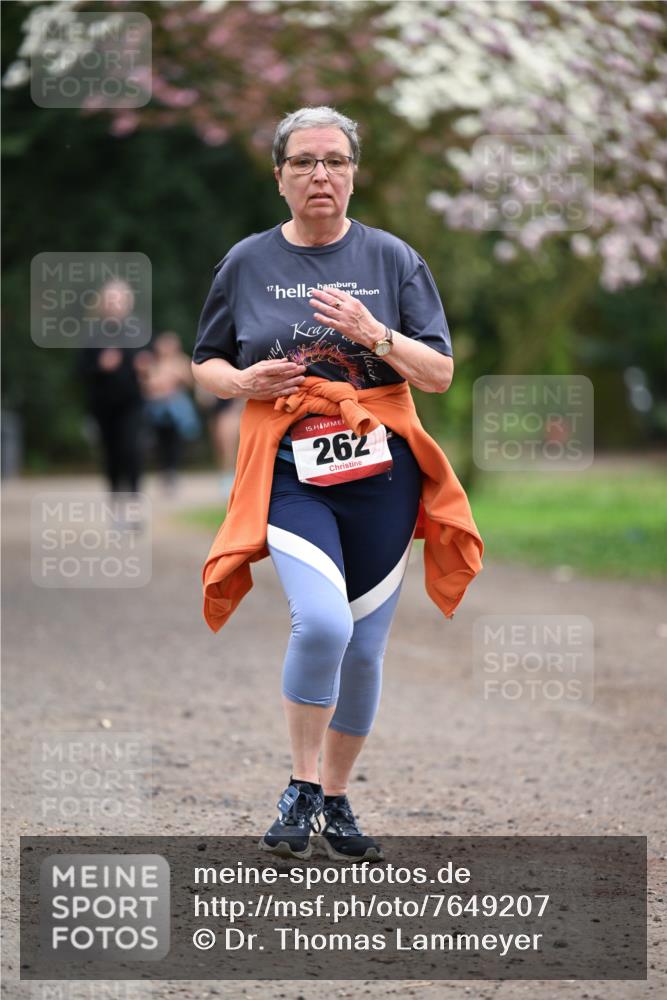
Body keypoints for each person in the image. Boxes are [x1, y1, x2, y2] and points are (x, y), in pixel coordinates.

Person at [191, 106, 483, 862]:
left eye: (335, 161)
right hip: (291, 471)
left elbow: (441, 373)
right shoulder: (246, 262)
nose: (320, 174)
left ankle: (337, 796)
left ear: (353, 173)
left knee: (363, 650)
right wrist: (242, 380)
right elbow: (205, 362)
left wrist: (374, 334)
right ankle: (300, 783)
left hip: (382, 475)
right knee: (321, 624)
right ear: (280, 176)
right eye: (304, 162)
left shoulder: (392, 259)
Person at [79, 279, 145, 499]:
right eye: (111, 300)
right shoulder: (92, 334)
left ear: (129, 302)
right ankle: (116, 500)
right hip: (103, 405)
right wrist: (100, 365)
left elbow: (151, 363)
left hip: (132, 403)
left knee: (132, 449)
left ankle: (135, 500)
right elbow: (80, 369)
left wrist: (146, 366)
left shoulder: (139, 332)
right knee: (111, 454)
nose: (116, 304)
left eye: (120, 299)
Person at [135, 331, 201, 495]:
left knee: (174, 441)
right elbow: (147, 385)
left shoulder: (182, 361)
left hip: (176, 410)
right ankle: (164, 470)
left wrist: (175, 378)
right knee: (159, 441)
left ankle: (171, 471)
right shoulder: (152, 362)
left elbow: (191, 382)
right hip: (156, 408)